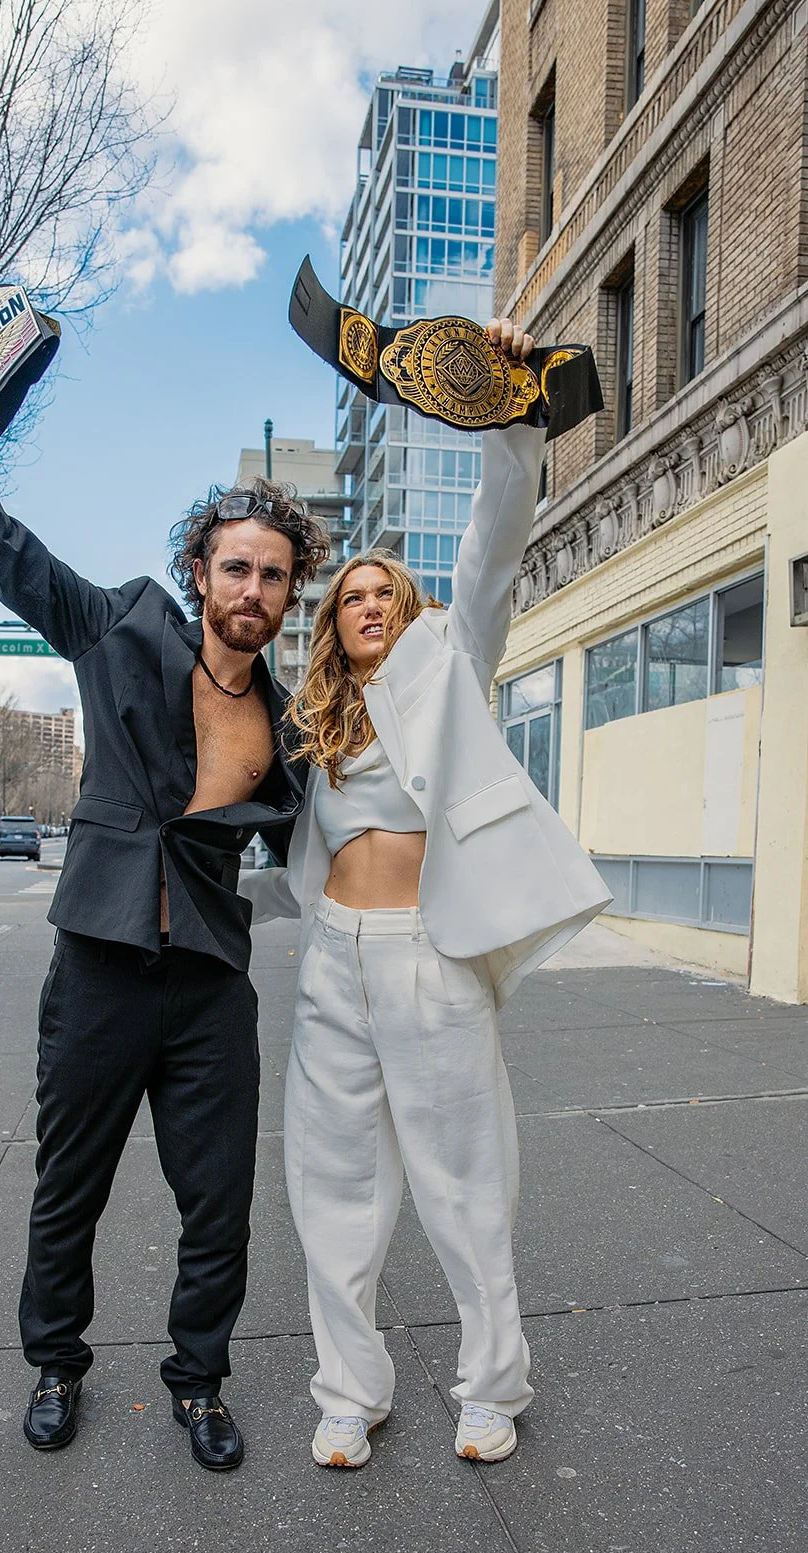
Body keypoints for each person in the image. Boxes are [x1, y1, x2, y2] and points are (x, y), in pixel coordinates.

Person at [0, 315, 329, 1470]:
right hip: (95, 962)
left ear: (290, 597)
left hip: (207, 989)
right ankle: (57, 1363)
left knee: (218, 1202)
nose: (250, 585)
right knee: (66, 1186)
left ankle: (198, 1381)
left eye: (272, 574)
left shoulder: (289, 728)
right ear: (199, 570)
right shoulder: (119, 625)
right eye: (233, 565)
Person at [239, 319, 611, 1470]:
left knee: (464, 1182)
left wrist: (507, 410)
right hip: (334, 962)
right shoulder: (319, 721)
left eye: (376, 590)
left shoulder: (450, 659)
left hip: (429, 953)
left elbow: (495, 544)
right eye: (344, 595)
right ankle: (348, 1391)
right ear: (329, 622)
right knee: (331, 1184)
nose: (360, 603)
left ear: (400, 604)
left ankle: (488, 1386)